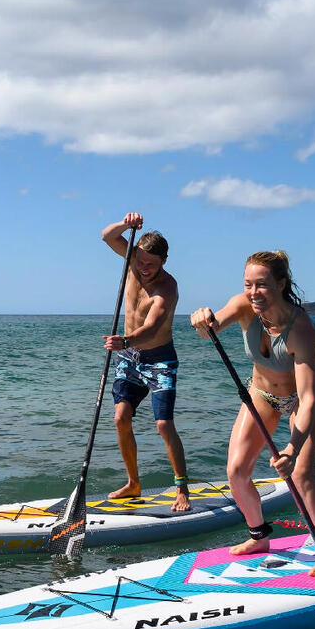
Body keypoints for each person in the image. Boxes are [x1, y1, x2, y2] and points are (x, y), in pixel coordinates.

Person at [189, 250, 315, 578]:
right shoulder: (244, 305)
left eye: (262, 285)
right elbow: (212, 326)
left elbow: (309, 397)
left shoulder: (300, 328)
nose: (253, 292)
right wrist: (203, 321)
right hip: (261, 395)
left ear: (281, 284)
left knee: (301, 476)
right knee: (237, 472)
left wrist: (292, 448)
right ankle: (259, 536)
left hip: (302, 402)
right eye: (248, 284)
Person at [101, 212, 190, 512]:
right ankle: (133, 483)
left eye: (151, 264)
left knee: (164, 424)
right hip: (129, 359)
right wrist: (127, 224)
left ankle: (182, 490)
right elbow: (107, 236)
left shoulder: (168, 288)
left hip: (160, 360)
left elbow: (152, 327)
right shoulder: (131, 261)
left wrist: (125, 341)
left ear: (164, 261)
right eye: (140, 261)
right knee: (119, 417)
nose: (144, 268)